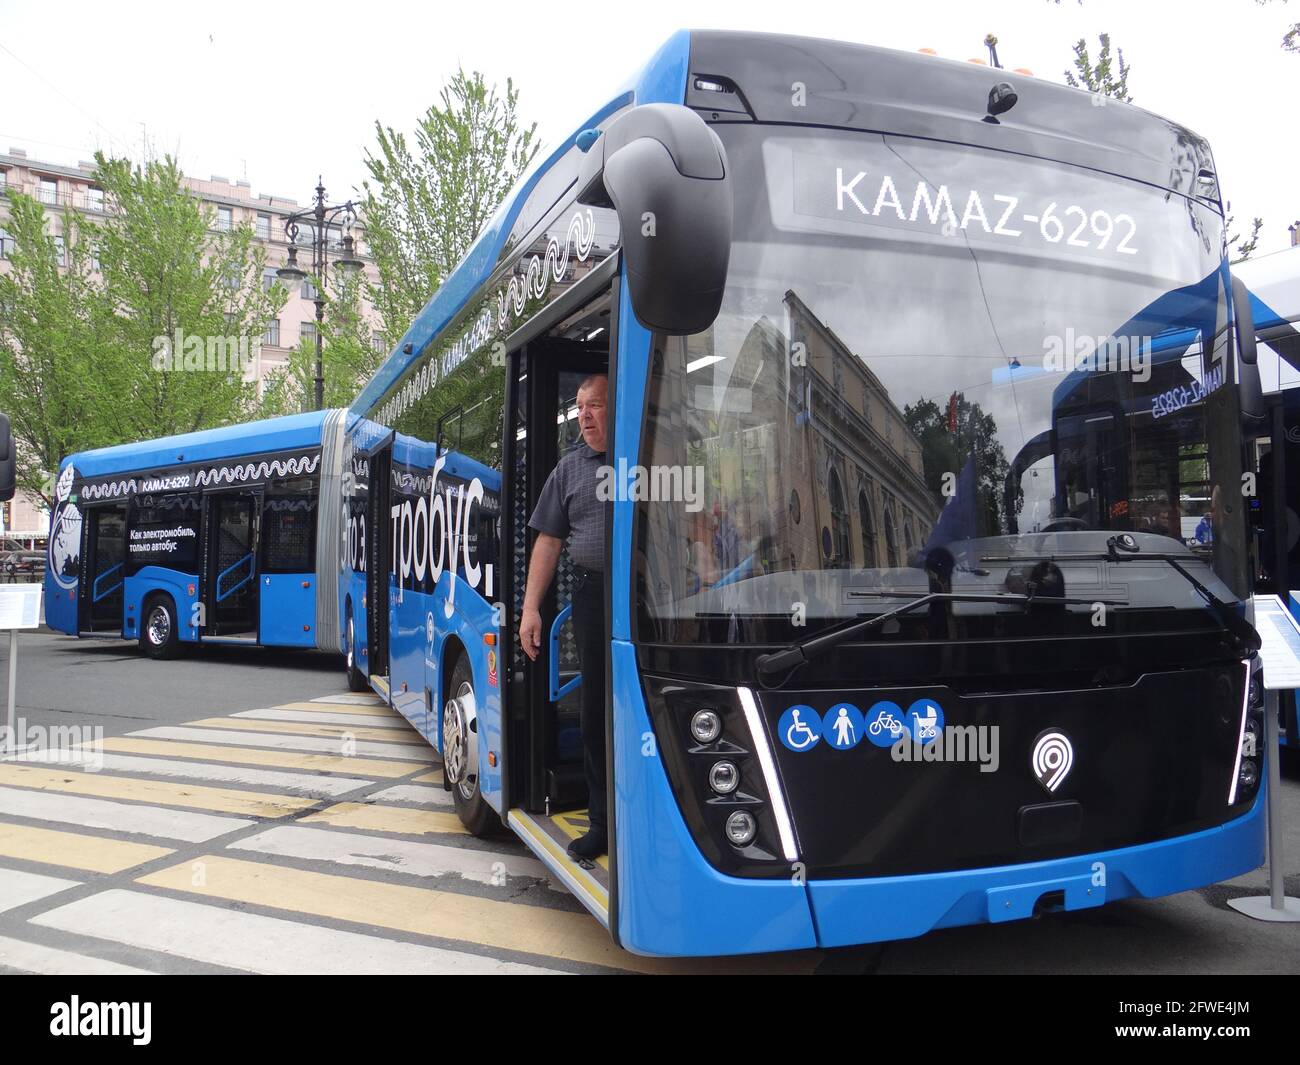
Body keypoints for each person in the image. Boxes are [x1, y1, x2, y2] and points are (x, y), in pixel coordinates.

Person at [519, 374, 610, 861]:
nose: (585, 416)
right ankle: (602, 825)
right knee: (595, 712)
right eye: (580, 407)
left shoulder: (650, 458)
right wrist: (531, 608)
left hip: (650, 600)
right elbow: (549, 542)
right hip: (596, 600)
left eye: (595, 404)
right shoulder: (570, 468)